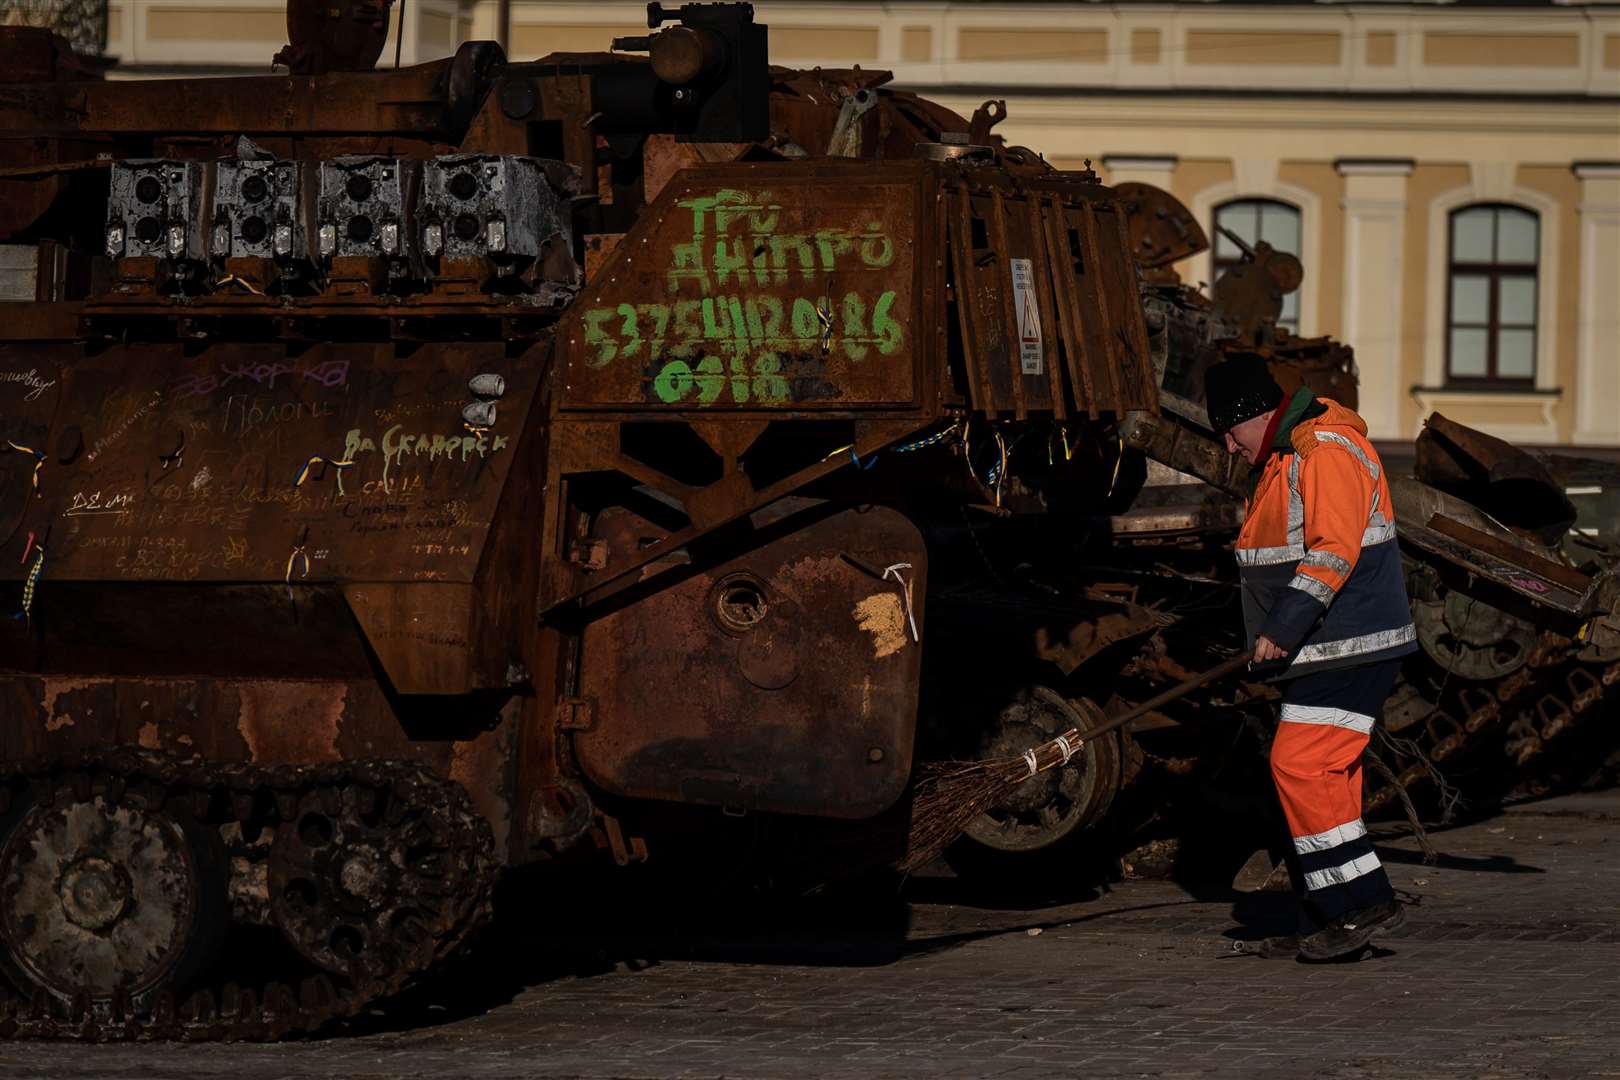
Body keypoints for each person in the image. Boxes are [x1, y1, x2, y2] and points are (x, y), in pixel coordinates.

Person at [1203, 355, 1418, 961]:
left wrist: (1283, 624)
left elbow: (1333, 550)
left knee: (1298, 764)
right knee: (1328, 777)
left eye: (1230, 428)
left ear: (1256, 414)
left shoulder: (1321, 450)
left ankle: (1363, 902)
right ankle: (1326, 913)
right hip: (1330, 648)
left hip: (1348, 645)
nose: (1227, 443)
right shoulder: (1289, 453)